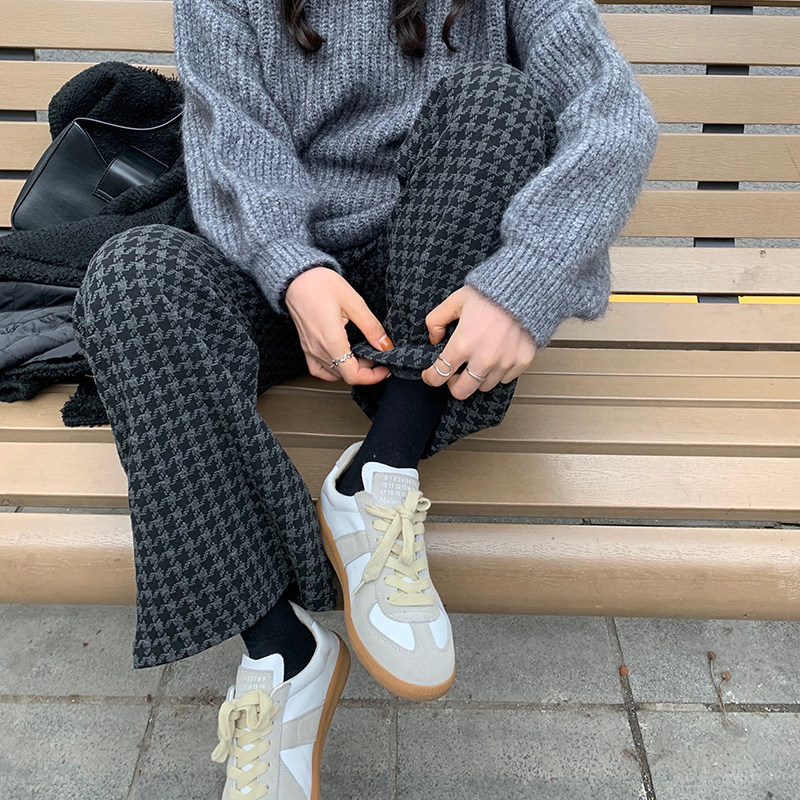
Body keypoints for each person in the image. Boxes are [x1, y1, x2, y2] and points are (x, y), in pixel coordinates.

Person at [71, 0, 659, 797]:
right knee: (130, 280)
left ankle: (379, 474)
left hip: (438, 284)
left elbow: (611, 113)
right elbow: (230, 134)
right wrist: (291, 265)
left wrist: (528, 278)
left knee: (496, 100)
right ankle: (283, 655)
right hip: (287, 283)